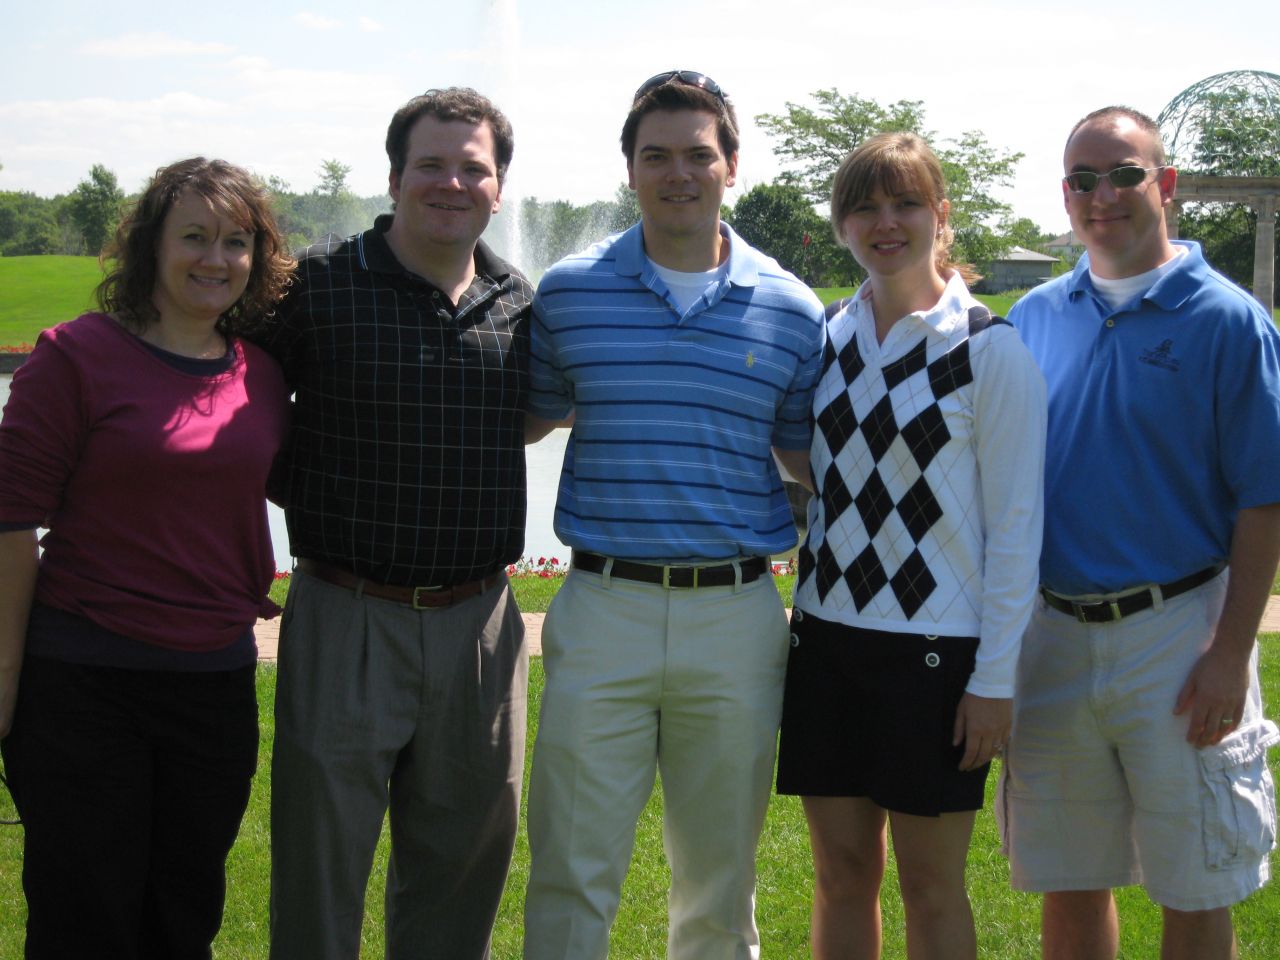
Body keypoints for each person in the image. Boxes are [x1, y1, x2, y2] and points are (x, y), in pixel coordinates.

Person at [521, 70, 825, 960]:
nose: (678, 173)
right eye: (656, 156)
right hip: (603, 608)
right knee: (571, 866)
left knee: (720, 880)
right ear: (629, 170)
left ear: (732, 165)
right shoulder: (568, 293)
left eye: (698, 154)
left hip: (736, 615)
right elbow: (522, 418)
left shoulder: (792, 308)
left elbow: (807, 460)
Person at [1000, 105, 1280, 960]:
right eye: (1082, 179)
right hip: (1052, 636)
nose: (1103, 195)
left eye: (1124, 174)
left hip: (1179, 637)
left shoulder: (1228, 320)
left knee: (1196, 883)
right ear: (1065, 195)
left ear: (1166, 185)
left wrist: (1230, 653)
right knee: (1070, 884)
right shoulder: (1032, 317)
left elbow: (1266, 500)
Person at [259, 87, 532, 960]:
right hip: (347, 614)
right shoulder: (314, 286)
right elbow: (232, 417)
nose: (451, 183)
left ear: (499, 188)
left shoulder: (519, 302)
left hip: (481, 626)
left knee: (462, 874)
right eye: (431, 165)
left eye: (473, 168)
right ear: (394, 177)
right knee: (321, 870)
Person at [0, 156, 293, 958]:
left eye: (236, 242)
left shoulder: (263, 376)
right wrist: (5, 676)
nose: (215, 259)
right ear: (151, 246)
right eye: (194, 236)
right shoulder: (75, 357)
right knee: (84, 919)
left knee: (183, 916)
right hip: (85, 684)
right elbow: (10, 520)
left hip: (214, 688)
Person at [775, 132, 1046, 959]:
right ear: (841, 225)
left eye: (905, 204)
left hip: (936, 657)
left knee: (931, 887)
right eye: (864, 207)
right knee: (841, 874)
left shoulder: (988, 349)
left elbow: (1017, 533)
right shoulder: (826, 338)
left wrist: (994, 681)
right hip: (825, 641)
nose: (885, 222)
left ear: (941, 215)